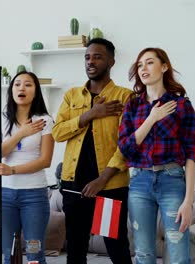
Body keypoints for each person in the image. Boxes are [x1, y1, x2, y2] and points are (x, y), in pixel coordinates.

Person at [52, 38, 133, 264]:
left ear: (111, 61)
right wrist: (90, 114)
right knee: (76, 251)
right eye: (87, 57)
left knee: (116, 249)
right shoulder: (72, 96)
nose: (91, 61)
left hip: (109, 187)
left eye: (97, 56)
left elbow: (128, 145)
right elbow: (58, 132)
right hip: (73, 187)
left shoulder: (125, 97)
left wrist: (101, 179)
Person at [118, 47, 195, 264]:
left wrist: (188, 201)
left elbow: (191, 153)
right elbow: (125, 148)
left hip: (172, 181)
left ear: (164, 67)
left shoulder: (181, 105)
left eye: (150, 62)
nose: (143, 68)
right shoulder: (133, 105)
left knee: (179, 256)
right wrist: (152, 118)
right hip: (139, 183)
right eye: (140, 64)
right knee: (143, 255)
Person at [0, 71, 54, 264]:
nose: (21, 88)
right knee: (10, 254)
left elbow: (45, 161)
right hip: (5, 195)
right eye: (17, 84)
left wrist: (13, 170)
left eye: (28, 84)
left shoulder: (44, 120)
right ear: (11, 90)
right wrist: (20, 134)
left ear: (36, 91)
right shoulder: (1, 118)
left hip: (34, 196)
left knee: (34, 252)